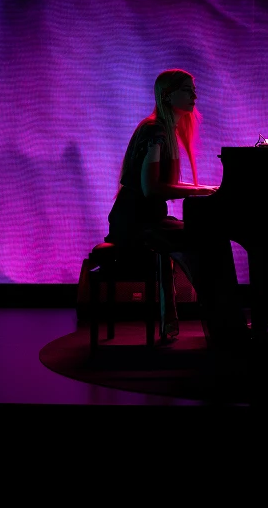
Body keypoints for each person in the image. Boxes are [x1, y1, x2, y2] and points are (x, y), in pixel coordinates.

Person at [106, 68, 246, 345]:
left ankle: (225, 325)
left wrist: (203, 188)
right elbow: (151, 188)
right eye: (187, 90)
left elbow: (157, 186)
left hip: (146, 219)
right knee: (210, 241)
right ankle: (227, 327)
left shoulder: (163, 130)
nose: (195, 96)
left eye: (194, 90)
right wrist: (201, 189)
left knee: (211, 239)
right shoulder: (155, 130)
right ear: (168, 96)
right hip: (135, 224)